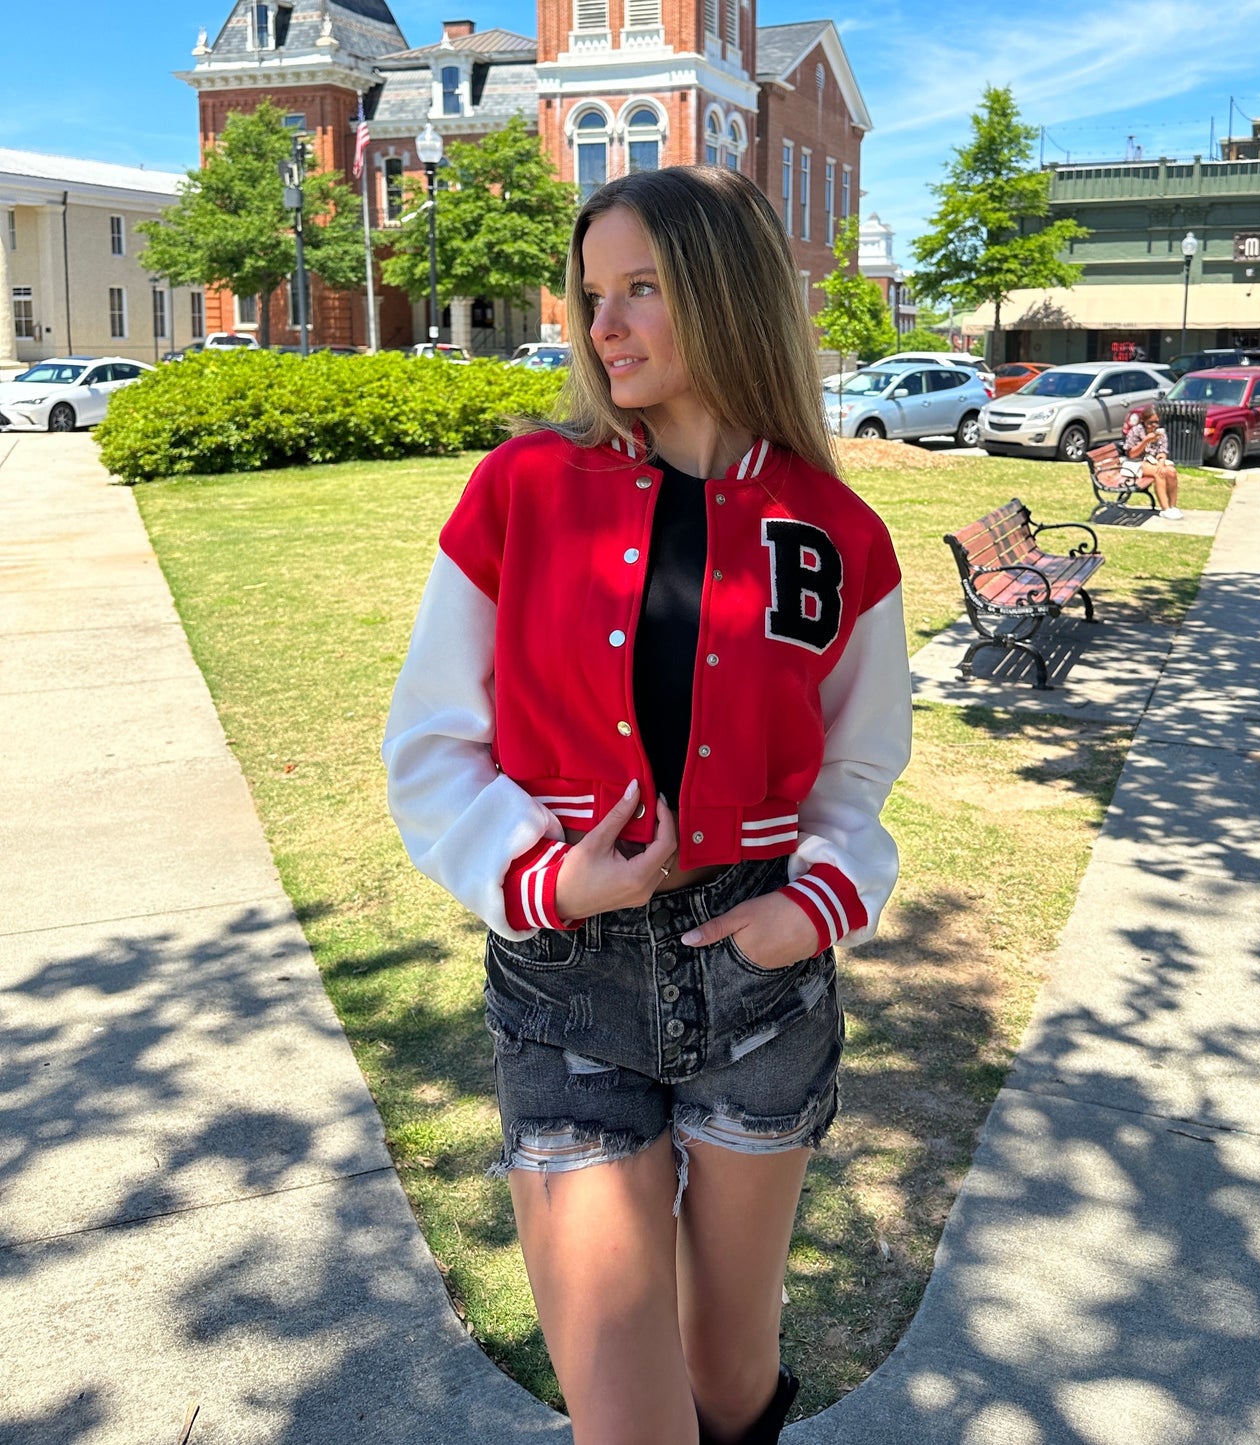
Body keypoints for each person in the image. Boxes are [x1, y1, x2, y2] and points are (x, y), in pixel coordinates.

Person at [382, 166, 912, 1445]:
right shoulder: (520, 488)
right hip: (569, 979)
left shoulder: (835, 530)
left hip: (760, 982)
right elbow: (431, 741)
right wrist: (548, 881)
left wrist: (810, 909)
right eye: (590, 292)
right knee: (628, 1420)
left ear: (724, 300)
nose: (599, 323)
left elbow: (856, 769)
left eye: (640, 290)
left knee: (729, 1380)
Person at [1122, 405, 1183, 519]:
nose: (1153, 425)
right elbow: (1131, 454)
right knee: (1159, 473)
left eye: (1156, 422)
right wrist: (1146, 441)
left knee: (1171, 472)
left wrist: (1161, 461)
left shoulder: (1160, 432)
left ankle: (1173, 507)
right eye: (1150, 423)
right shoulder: (1136, 431)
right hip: (1136, 462)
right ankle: (1165, 509)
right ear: (1143, 421)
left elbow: (1162, 451)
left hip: (1153, 461)